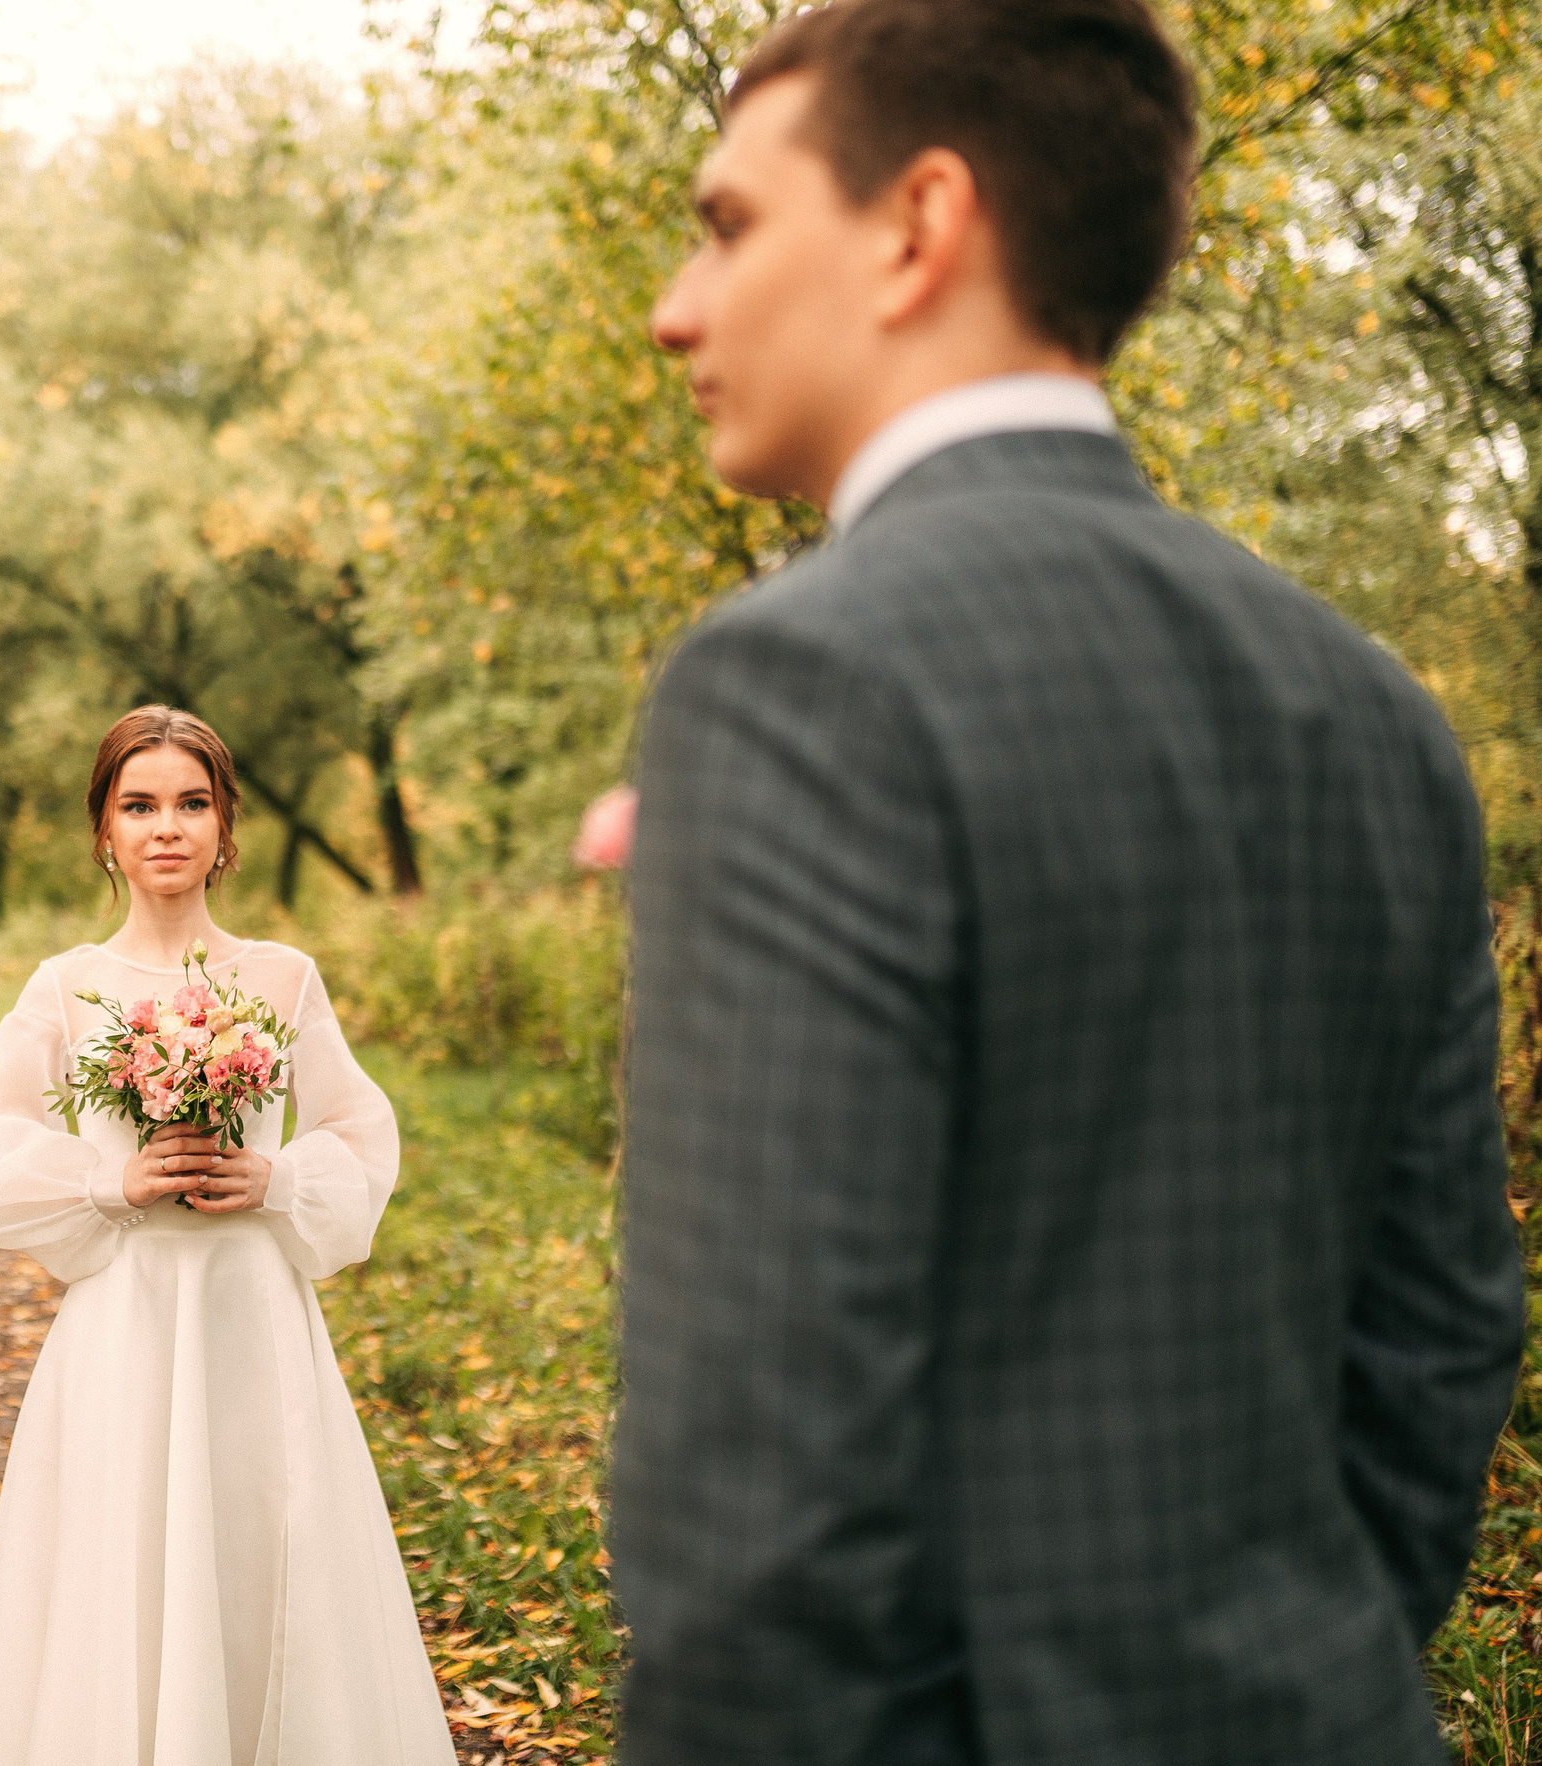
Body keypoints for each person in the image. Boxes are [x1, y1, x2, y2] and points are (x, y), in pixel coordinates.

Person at [615, 2, 1527, 1762]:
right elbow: (1441, 1349)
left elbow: (757, 1491)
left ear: (917, 225)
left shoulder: (800, 683)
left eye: (728, 224)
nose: (678, 305)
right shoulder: (1371, 704)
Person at [0, 705, 456, 1766]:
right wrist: (107, 1180)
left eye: (190, 802)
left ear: (225, 829)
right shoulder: (68, 985)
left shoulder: (279, 978)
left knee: (258, 1549)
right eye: (138, 804)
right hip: (127, 1325)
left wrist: (274, 1176)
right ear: (104, 832)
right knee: (122, 1565)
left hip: (249, 1318)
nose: (165, 825)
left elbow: (362, 1132)